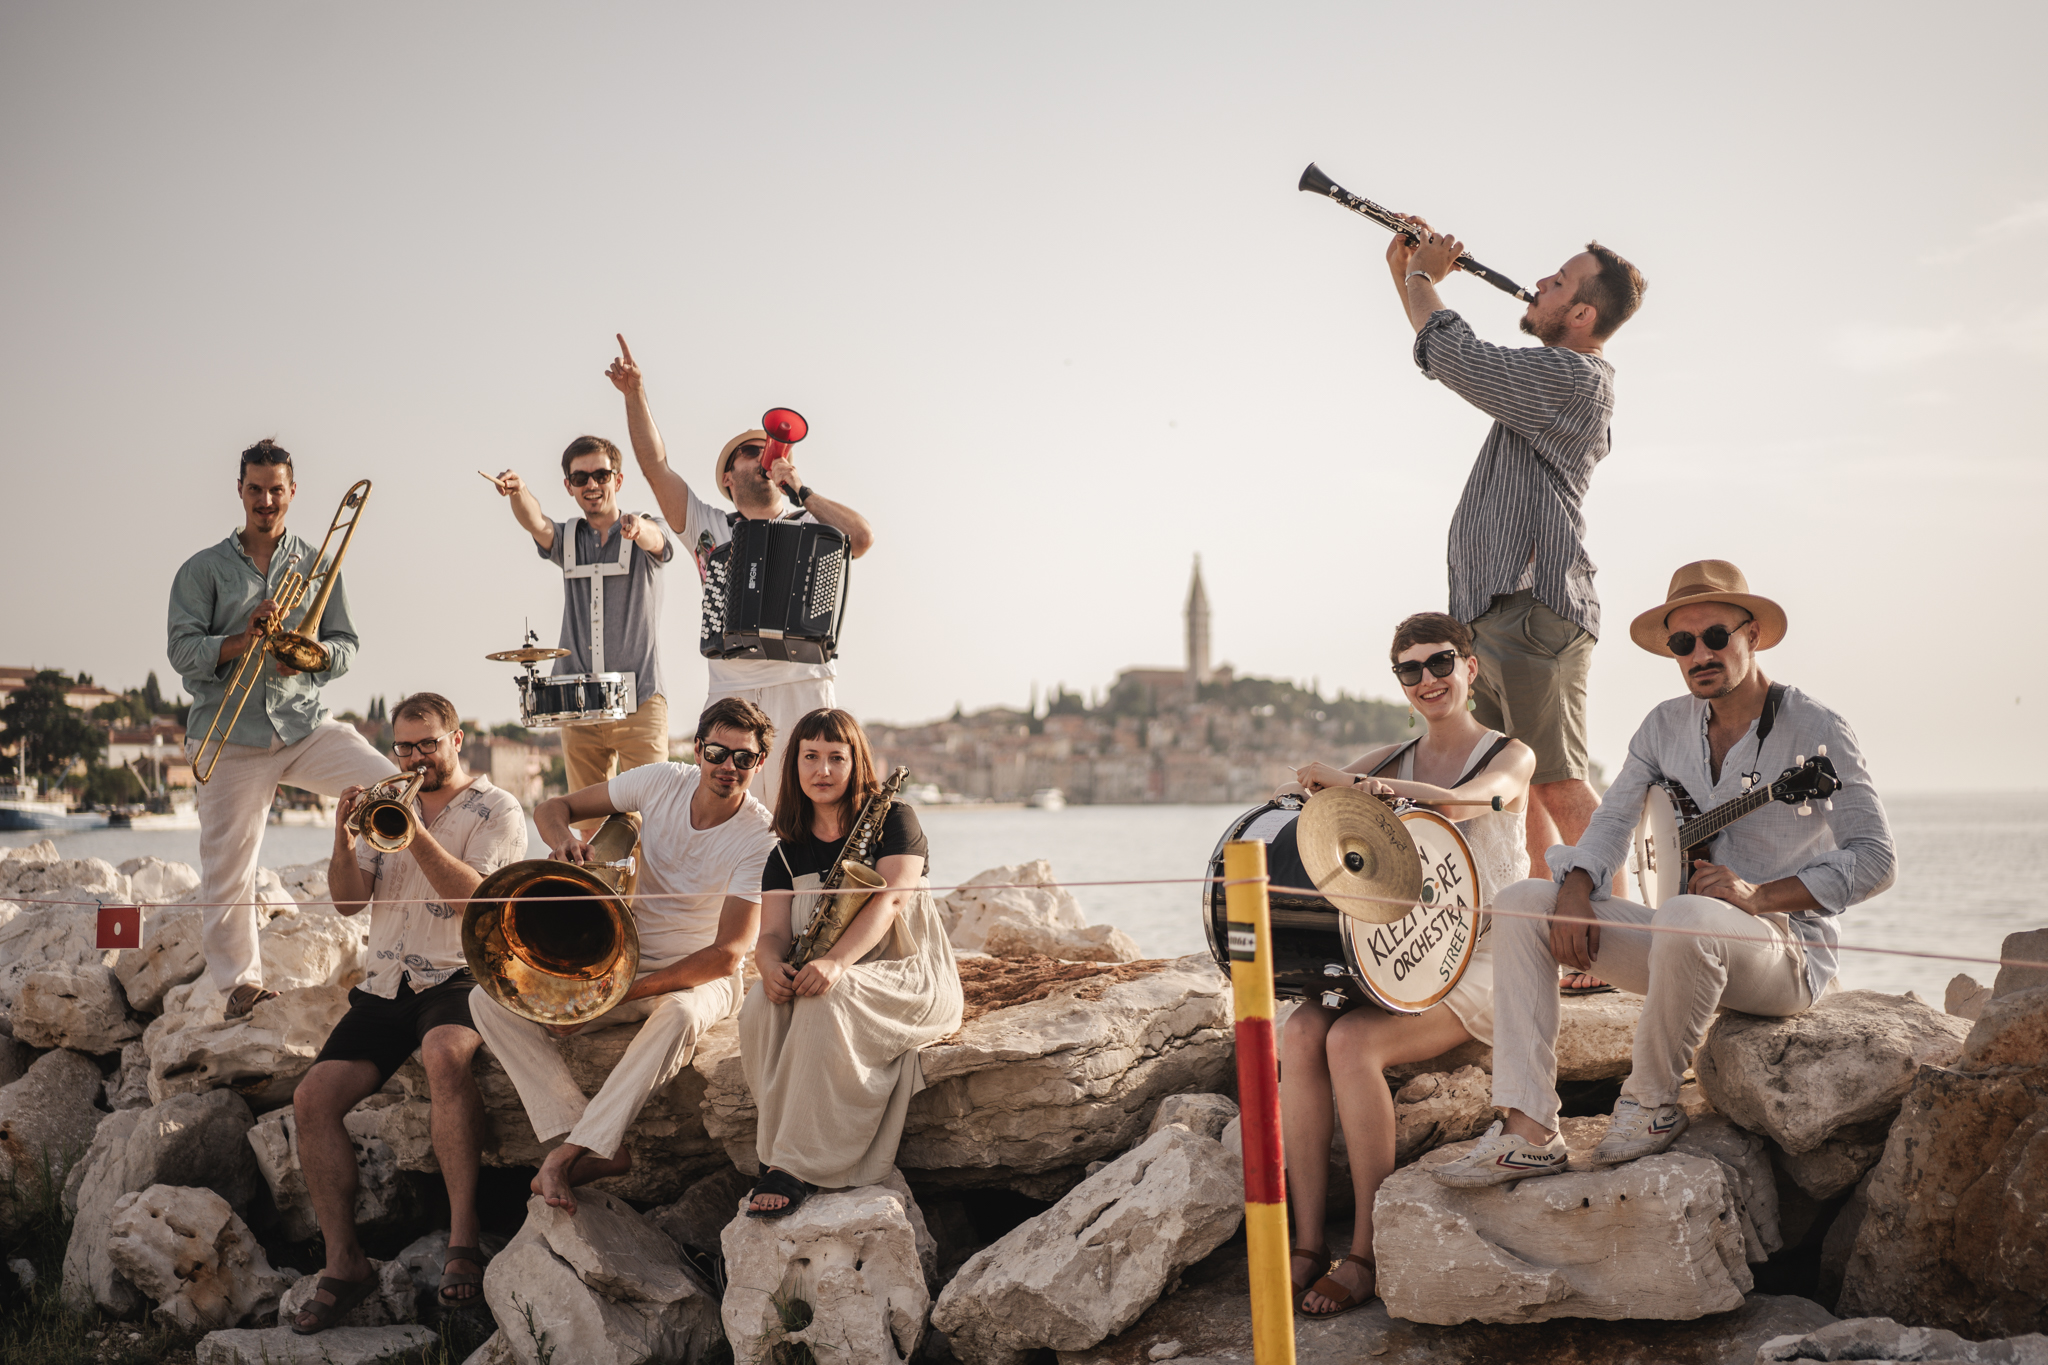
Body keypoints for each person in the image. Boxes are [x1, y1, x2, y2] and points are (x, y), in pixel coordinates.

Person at [1433, 561, 1896, 1188]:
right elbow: (1613, 820)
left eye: (1715, 637)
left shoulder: (1815, 728)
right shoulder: (1663, 726)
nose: (1698, 653)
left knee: (1683, 914)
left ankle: (1650, 1104)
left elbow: (1875, 858)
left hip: (1784, 955)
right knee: (1522, 904)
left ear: (1752, 634)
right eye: (1683, 643)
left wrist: (1759, 895)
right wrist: (1574, 888)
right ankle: (1529, 1129)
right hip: (1685, 945)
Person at [1278, 613, 1535, 1317]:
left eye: (1440, 662)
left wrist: (1352, 782)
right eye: (1410, 669)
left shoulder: (1510, 753)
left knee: (1352, 1040)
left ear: (1471, 668)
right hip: (1410, 952)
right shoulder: (1390, 759)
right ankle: (1304, 1241)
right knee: (1301, 1029)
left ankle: (1366, 1249)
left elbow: (1472, 802)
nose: (1428, 679)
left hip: (1485, 955)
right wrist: (1326, 792)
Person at [1384, 218, 1647, 884]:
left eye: (1556, 283)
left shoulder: (1573, 378)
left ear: (1582, 313)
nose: (1538, 284)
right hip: (1496, 610)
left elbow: (1458, 360)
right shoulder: (1546, 380)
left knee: (1558, 780)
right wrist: (1408, 274)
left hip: (1533, 609)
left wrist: (1421, 279)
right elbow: (1445, 353)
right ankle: (1546, 917)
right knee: (1517, 783)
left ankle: (1611, 926)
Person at [469, 697, 778, 1215]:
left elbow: (727, 956)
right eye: (718, 753)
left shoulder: (760, 835)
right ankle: (577, 1126)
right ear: (699, 749)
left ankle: (573, 1153)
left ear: (758, 764)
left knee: (679, 1014)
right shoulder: (660, 780)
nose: (728, 767)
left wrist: (611, 1000)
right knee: (488, 997)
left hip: (698, 975)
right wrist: (564, 843)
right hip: (623, 959)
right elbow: (551, 808)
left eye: (743, 758)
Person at [289, 693, 527, 1333]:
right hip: (385, 980)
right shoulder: (381, 806)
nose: (416, 757)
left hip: (458, 975)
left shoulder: (496, 809)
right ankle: (345, 1263)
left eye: (428, 743)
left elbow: (474, 901)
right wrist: (343, 840)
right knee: (311, 1098)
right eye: (404, 747)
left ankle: (462, 1242)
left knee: (445, 1056)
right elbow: (345, 905)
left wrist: (414, 831)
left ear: (457, 738)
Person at [168, 439, 398, 1018]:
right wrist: (245, 638)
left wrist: (314, 655)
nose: (266, 500)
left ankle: (414, 946)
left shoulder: (319, 563)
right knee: (228, 866)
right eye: (255, 489)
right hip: (229, 735)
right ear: (239, 491)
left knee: (396, 790)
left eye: (277, 489)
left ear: (292, 492)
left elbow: (345, 644)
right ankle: (239, 987)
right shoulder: (203, 569)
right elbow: (181, 650)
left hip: (301, 724)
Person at [603, 334, 874, 808]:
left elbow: (863, 538)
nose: (764, 455)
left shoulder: (812, 522)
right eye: (751, 451)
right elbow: (655, 465)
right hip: (733, 687)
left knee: (812, 808)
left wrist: (802, 489)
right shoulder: (707, 525)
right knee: (728, 810)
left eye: (768, 448)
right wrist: (635, 395)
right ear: (728, 477)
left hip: (803, 683)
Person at [738, 708, 963, 1218]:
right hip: (827, 967)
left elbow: (893, 901)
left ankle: (800, 1165)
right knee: (758, 1007)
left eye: (836, 758)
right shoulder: (785, 853)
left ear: (856, 762)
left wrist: (837, 963)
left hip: (909, 973)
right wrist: (770, 967)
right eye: (810, 757)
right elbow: (770, 934)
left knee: (825, 999)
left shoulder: (895, 819)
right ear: (793, 766)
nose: (823, 770)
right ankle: (776, 1152)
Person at [488, 432, 674, 806]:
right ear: (569, 486)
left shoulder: (643, 527)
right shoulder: (568, 538)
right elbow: (536, 522)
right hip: (578, 705)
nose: (592, 484)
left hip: (640, 700)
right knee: (586, 823)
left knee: (655, 815)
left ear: (617, 480)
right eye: (580, 478)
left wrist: (639, 530)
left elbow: (659, 541)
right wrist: (518, 491)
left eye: (601, 475)